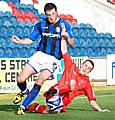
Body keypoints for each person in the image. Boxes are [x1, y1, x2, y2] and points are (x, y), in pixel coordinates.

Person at [11, 3, 74, 115]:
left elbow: (72, 43)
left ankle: (23, 106)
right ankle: (24, 91)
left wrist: (66, 36)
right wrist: (20, 41)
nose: (51, 17)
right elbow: (31, 39)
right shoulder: (41, 24)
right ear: (45, 14)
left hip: (53, 59)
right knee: (20, 80)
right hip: (39, 55)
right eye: (48, 15)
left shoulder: (65, 24)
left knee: (39, 81)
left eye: (53, 14)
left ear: (57, 12)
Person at [26, 31, 110, 114]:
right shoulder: (71, 66)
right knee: (55, 107)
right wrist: (63, 37)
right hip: (53, 92)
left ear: (90, 71)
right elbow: (64, 50)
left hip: (62, 103)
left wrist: (100, 110)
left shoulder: (86, 83)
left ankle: (33, 106)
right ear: (82, 64)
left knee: (49, 111)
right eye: (86, 65)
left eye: (89, 68)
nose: (86, 68)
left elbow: (92, 100)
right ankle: (42, 106)